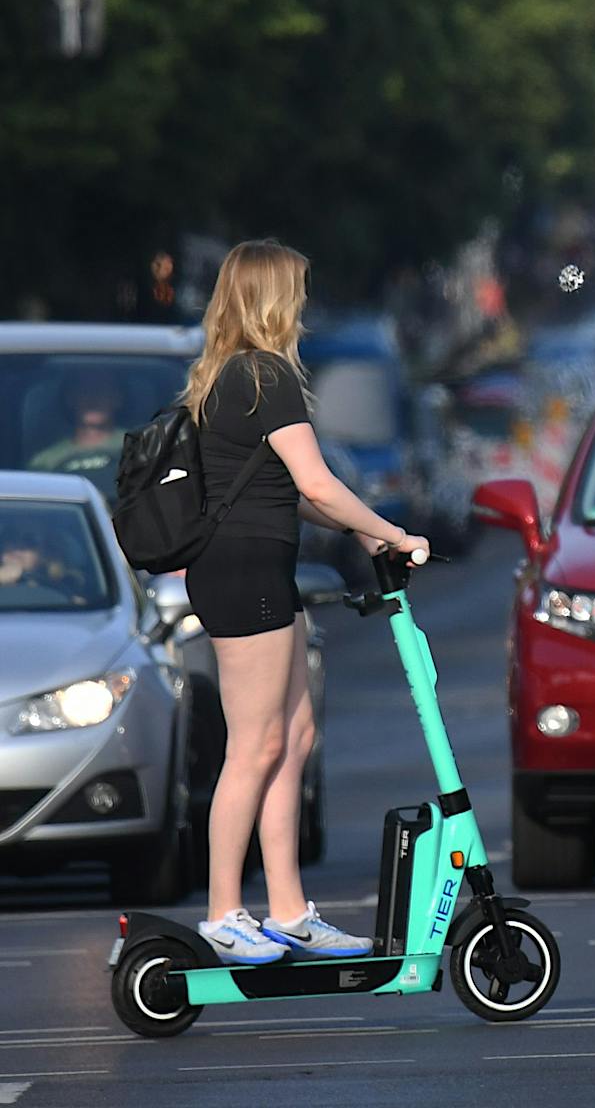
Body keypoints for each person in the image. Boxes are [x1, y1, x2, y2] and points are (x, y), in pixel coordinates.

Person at [183, 239, 429, 966]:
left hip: (259, 569)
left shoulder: (230, 376)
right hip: (243, 575)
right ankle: (224, 911)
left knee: (291, 740)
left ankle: (289, 912)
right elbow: (319, 483)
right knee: (254, 745)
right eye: (297, 291)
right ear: (270, 298)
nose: (304, 305)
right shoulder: (264, 377)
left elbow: (288, 492)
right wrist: (390, 531)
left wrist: (367, 537)